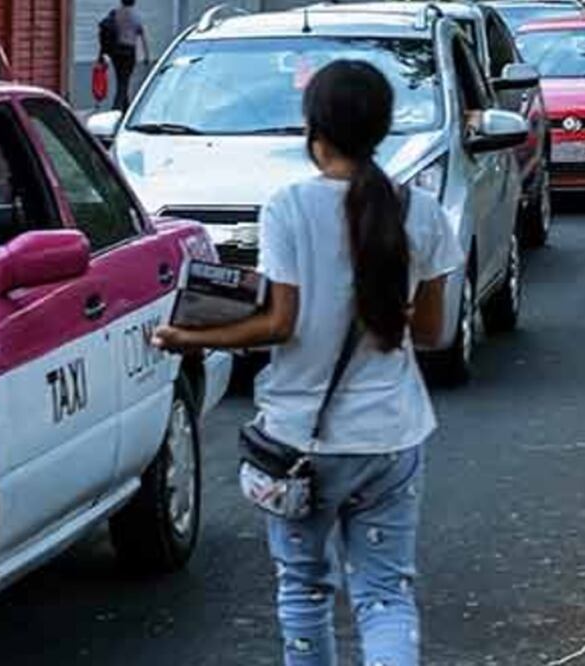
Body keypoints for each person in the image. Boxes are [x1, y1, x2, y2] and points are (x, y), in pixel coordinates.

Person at [152, 60, 464, 666]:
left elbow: (279, 323)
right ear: (382, 129)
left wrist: (191, 337)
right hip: (390, 437)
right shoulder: (420, 212)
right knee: (384, 597)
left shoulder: (288, 207)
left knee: (304, 591)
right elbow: (432, 332)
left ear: (313, 128)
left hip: (301, 444)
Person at [104, 0, 149, 112]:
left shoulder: (114, 14)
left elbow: (106, 31)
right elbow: (142, 36)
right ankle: (116, 108)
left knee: (121, 79)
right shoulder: (136, 16)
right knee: (124, 81)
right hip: (129, 51)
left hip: (116, 51)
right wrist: (146, 54)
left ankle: (126, 108)